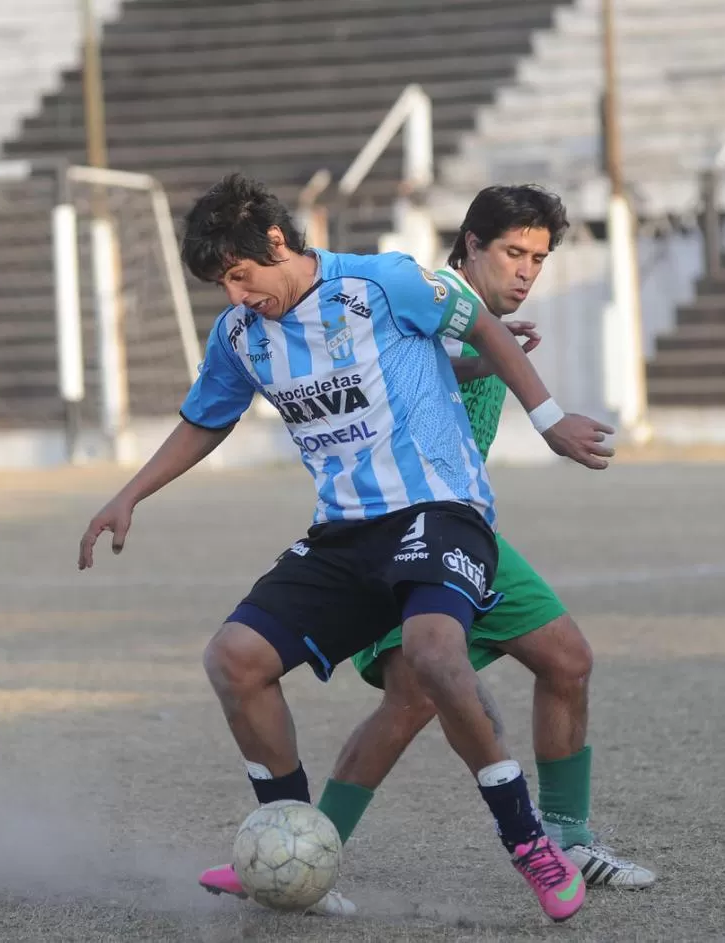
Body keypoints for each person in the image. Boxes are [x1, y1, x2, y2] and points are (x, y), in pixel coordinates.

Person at [78, 173, 613, 923]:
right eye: (221, 284)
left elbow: (483, 325)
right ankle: (291, 841)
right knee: (233, 658)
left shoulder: (381, 282)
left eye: (240, 275)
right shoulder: (240, 335)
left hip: (439, 509)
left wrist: (551, 419)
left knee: (433, 655)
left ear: (275, 242)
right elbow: (208, 417)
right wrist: (129, 493)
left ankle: (530, 841)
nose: (235, 295)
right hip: (345, 531)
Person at [316, 186, 656, 894]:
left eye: (538, 256)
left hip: (466, 530)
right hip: (398, 530)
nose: (527, 269)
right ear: (469, 244)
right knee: (411, 697)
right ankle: (312, 851)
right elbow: (402, 363)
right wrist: (504, 376)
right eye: (512, 251)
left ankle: (569, 838)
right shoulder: (429, 300)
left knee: (566, 659)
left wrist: (486, 357)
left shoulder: (483, 321)